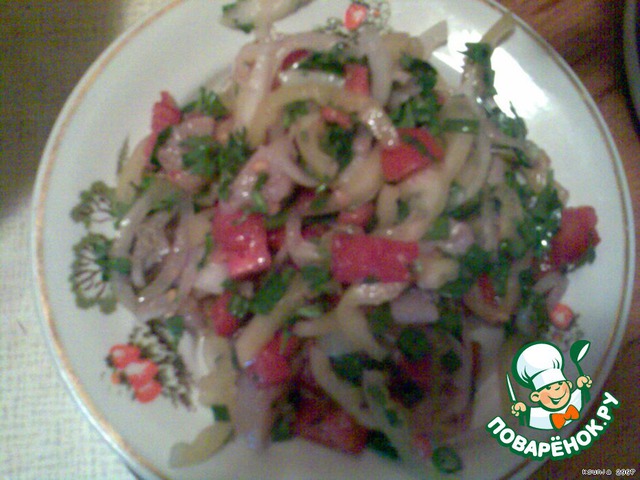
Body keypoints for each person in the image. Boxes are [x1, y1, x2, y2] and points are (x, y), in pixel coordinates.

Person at [510, 341, 592, 430]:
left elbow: (584, 395)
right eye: (548, 388)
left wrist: (582, 386)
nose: (556, 391)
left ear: (569, 385)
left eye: (560, 384)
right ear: (535, 396)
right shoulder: (538, 417)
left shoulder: (575, 398)